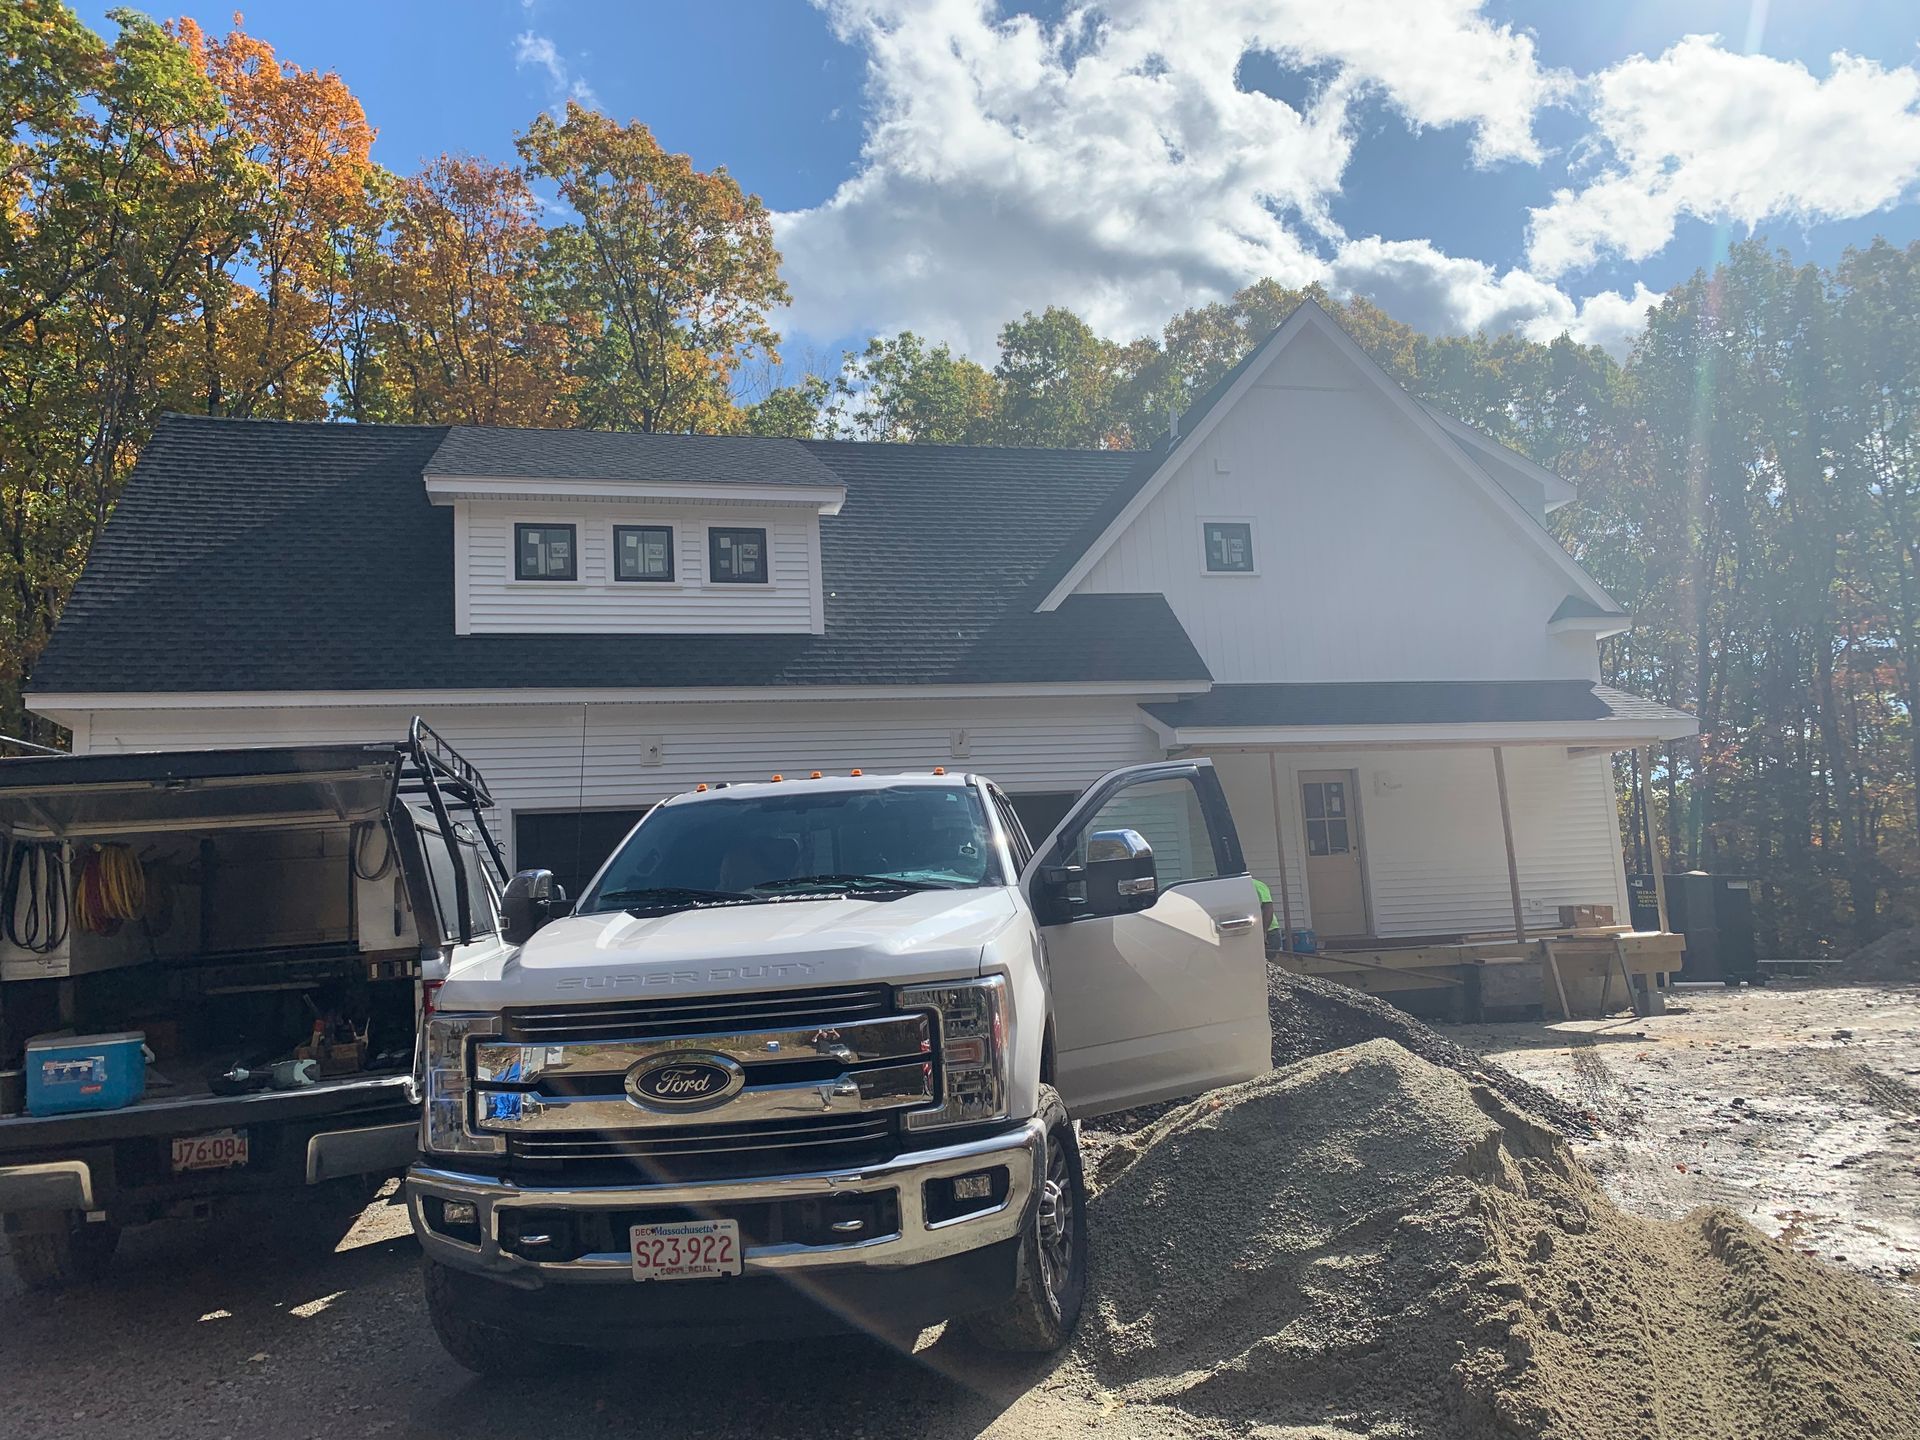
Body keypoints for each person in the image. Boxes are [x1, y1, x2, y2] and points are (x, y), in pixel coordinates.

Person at [1251, 877, 1284, 956]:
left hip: (1269, 932)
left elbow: (1268, 908)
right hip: (1254, 932)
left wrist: (1263, 932)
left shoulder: (1257, 885)